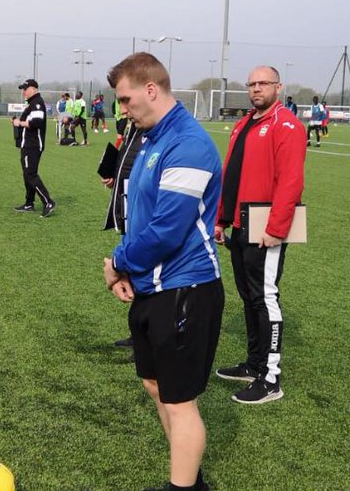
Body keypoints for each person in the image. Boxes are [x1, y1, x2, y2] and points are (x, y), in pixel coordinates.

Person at [102, 52, 222, 491]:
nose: (123, 108)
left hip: (186, 289)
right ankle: (189, 479)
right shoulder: (150, 138)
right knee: (155, 386)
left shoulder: (188, 144)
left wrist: (117, 263)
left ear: (151, 90)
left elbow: (167, 231)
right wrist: (130, 273)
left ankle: (183, 488)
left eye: (126, 98)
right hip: (153, 288)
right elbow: (141, 219)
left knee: (180, 402)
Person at [213, 65, 305, 405]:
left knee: (265, 296)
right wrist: (220, 219)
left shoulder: (288, 126)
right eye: (251, 84)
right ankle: (254, 365)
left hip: (266, 223)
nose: (255, 89)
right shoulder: (242, 124)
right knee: (249, 296)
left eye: (262, 83)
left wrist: (276, 228)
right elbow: (230, 174)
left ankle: (271, 378)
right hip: (240, 221)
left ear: (278, 87)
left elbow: (290, 181)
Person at [102, 98, 145, 361]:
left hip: (138, 209)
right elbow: (127, 162)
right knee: (135, 275)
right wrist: (114, 174)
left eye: (127, 103)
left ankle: (145, 340)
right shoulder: (133, 127)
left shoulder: (152, 131)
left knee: (142, 274)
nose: (124, 110)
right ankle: (138, 334)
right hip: (127, 206)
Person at [12, 79, 55, 217]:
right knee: (27, 174)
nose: (23, 92)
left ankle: (48, 201)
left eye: (25, 89)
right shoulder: (32, 103)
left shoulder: (37, 103)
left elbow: (37, 122)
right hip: (28, 144)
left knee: (30, 174)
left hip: (33, 145)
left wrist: (20, 123)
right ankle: (29, 203)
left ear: (34, 89)